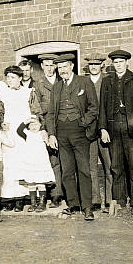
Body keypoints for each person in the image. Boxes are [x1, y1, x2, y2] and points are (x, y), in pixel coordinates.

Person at [46, 54, 98, 221]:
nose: (62, 71)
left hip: (79, 131)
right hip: (61, 132)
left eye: (65, 67)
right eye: (59, 68)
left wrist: (83, 122)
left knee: (83, 170)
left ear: (71, 67)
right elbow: (51, 113)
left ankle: (87, 207)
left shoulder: (84, 82)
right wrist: (52, 134)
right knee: (67, 171)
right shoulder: (56, 87)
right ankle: (73, 205)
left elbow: (93, 108)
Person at [99, 50, 133, 216]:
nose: (118, 65)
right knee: (116, 167)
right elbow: (102, 108)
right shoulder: (107, 81)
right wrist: (103, 128)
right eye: (116, 62)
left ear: (127, 62)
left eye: (121, 62)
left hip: (132, 131)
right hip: (113, 130)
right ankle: (119, 201)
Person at [0, 65, 43, 211]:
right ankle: (10, 198)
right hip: (9, 133)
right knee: (9, 165)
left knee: (24, 163)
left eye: (13, 77)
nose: (10, 80)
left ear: (20, 78)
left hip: (24, 132)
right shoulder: (3, 94)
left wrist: (33, 126)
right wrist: (1, 122)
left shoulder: (29, 93)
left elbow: (36, 112)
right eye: (8, 77)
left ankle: (24, 198)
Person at [84, 54, 113, 212]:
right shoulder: (83, 82)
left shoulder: (108, 81)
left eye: (97, 64)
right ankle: (95, 199)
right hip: (89, 129)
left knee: (109, 164)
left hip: (105, 129)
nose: (94, 67)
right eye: (91, 64)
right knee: (91, 165)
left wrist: (106, 127)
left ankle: (110, 199)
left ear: (102, 65)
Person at [34, 53, 63, 207]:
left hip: (64, 127)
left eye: (52, 65)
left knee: (65, 161)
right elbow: (37, 109)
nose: (49, 68)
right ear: (42, 67)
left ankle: (64, 194)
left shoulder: (63, 81)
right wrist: (43, 129)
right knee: (51, 162)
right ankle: (54, 195)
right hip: (47, 127)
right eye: (46, 65)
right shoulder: (38, 85)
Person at [16, 115, 55, 212]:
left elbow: (50, 148)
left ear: (41, 125)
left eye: (36, 124)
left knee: (41, 182)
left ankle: (42, 203)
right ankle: (33, 203)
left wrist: (47, 141)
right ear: (28, 126)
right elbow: (19, 130)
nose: (33, 126)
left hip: (40, 161)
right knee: (31, 183)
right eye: (31, 124)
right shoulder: (27, 134)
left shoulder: (42, 134)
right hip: (30, 161)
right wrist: (26, 121)